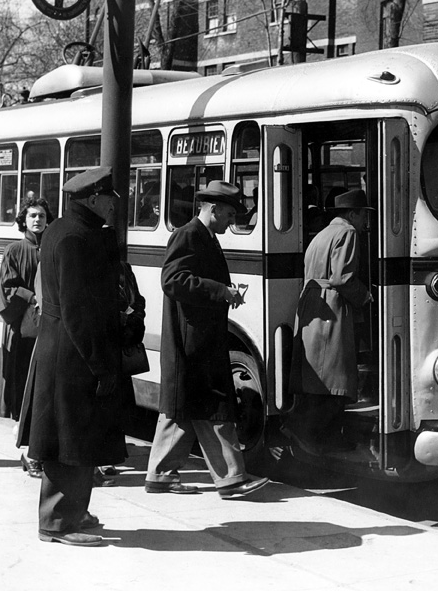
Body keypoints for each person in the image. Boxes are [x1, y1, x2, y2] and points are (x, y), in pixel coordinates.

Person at [17, 166, 127, 547]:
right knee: (68, 439)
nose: (114, 204)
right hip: (74, 353)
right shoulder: (75, 239)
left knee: (79, 436)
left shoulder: (65, 231)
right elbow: (78, 311)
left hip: (67, 349)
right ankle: (57, 522)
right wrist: (101, 364)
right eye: (109, 197)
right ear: (94, 199)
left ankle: (74, 511)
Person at [144, 181, 269, 499]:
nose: (232, 220)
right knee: (212, 408)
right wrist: (221, 291)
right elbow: (172, 280)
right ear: (212, 209)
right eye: (229, 214)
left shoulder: (204, 236)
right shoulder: (189, 234)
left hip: (196, 339)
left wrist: (222, 294)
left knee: (185, 409)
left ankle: (160, 475)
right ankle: (231, 480)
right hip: (192, 341)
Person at [283, 188, 374, 455]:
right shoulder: (348, 233)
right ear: (352, 213)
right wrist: (366, 296)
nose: (365, 222)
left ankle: (325, 435)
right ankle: (304, 430)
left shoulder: (322, 234)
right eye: (363, 215)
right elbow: (342, 278)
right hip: (331, 308)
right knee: (335, 375)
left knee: (320, 375)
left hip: (312, 304)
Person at [0, 196, 54, 477]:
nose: (38, 220)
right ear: (23, 220)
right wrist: (33, 297)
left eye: (42, 215)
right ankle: (26, 449)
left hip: (51, 327)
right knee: (24, 386)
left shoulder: (53, 247)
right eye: (32, 215)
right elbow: (8, 287)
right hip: (24, 328)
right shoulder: (15, 250)